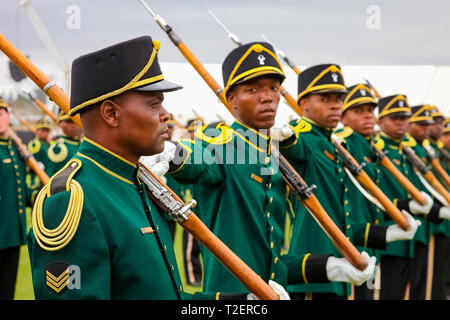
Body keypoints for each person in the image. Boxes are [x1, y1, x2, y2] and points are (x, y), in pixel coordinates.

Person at [29, 36, 286, 300]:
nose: (165, 114)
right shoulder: (72, 199)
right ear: (111, 113)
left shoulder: (138, 183)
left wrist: (246, 304)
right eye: (154, 104)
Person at [146, 43, 376, 296]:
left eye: (274, 88)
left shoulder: (269, 154)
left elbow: (273, 266)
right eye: (253, 89)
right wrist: (175, 154)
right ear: (231, 99)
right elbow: (200, 156)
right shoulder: (224, 145)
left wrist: (329, 267)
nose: (267, 97)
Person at [277, 68, 417, 300]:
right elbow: (292, 145)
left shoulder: (332, 142)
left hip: (344, 263)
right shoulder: (307, 138)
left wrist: (385, 234)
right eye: (325, 99)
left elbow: (343, 215)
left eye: (339, 99)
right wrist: (282, 136)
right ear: (304, 105)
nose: (334, 105)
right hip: (312, 267)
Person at [337, 84, 425, 299]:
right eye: (359, 111)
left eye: (370, 111)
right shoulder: (344, 143)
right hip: (351, 245)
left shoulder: (371, 148)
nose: (368, 116)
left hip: (372, 242)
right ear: (343, 116)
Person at [0, 97, 39, 299]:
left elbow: (19, 189)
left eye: (1, 114)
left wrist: (38, 196)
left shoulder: (13, 149)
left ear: (8, 117)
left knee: (7, 291)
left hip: (12, 235)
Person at [45, 110, 83, 177]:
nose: (75, 124)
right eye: (70, 121)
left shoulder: (81, 144)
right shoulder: (58, 147)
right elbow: (49, 175)